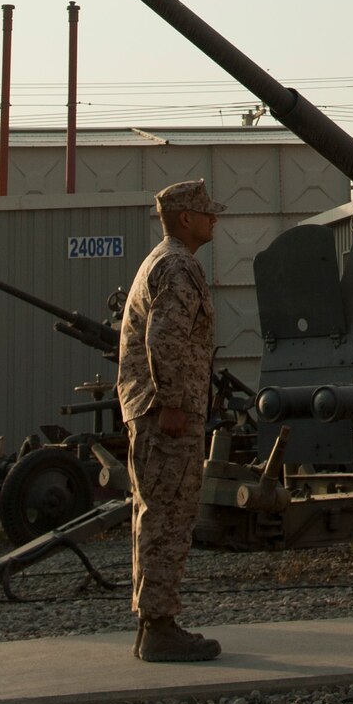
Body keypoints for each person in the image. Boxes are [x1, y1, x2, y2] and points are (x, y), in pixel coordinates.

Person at [117, 177, 225, 663]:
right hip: (166, 414)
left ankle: (154, 624)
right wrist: (175, 402)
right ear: (186, 217)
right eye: (206, 212)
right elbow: (166, 339)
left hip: (151, 408)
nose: (213, 219)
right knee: (169, 517)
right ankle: (159, 628)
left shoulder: (158, 261)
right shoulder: (179, 266)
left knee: (155, 514)